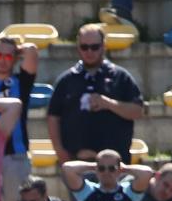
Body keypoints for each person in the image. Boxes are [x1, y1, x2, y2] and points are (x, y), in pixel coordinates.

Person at [45, 23, 145, 164]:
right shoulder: (66, 80)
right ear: (78, 47)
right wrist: (59, 151)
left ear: (104, 46)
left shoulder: (121, 77)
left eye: (95, 47)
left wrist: (108, 104)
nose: (89, 52)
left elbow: (138, 111)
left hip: (115, 164)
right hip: (77, 163)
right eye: (84, 47)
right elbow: (53, 117)